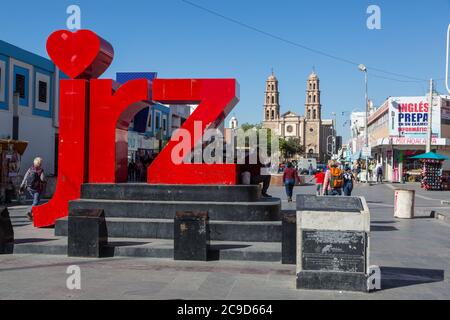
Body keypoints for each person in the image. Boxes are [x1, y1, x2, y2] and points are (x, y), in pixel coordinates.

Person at [20, 157, 46, 221]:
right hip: (37, 189)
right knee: (36, 202)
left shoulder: (30, 169)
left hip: (29, 188)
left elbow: (25, 177)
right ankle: (29, 211)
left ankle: (35, 215)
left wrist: (22, 185)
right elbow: (42, 179)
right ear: (40, 163)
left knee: (35, 201)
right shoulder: (41, 170)